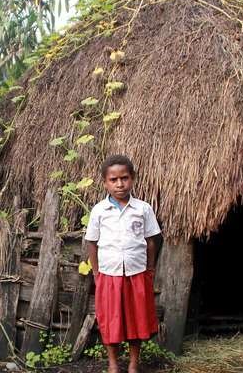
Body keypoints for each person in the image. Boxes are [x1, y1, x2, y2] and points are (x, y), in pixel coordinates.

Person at [85, 154, 162, 373]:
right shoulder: (99, 211)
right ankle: (112, 364)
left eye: (124, 178)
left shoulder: (143, 209)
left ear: (133, 179)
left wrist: (150, 270)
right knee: (111, 320)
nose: (120, 184)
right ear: (105, 182)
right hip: (109, 274)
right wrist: (97, 274)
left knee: (137, 319)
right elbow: (92, 243)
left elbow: (151, 242)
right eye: (113, 179)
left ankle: (133, 364)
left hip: (137, 273)